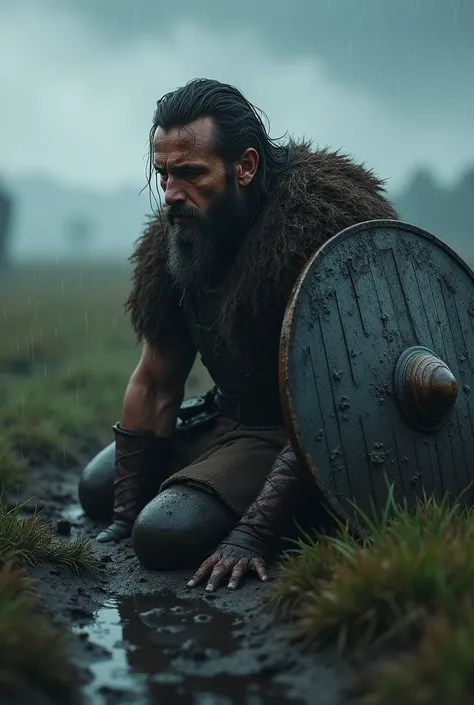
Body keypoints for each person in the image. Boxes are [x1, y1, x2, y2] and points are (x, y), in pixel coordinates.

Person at [78, 78, 398, 591]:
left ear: (245, 166)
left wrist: (255, 532)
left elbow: (342, 400)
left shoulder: (319, 228)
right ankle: (197, 488)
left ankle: (311, 510)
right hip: (226, 416)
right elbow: (157, 380)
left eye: (189, 174)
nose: (171, 194)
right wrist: (120, 516)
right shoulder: (177, 239)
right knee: (100, 489)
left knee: (161, 535)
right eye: (163, 175)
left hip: (306, 431)